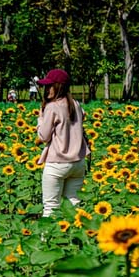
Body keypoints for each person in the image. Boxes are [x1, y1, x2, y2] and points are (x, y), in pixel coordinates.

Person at [35, 69, 89, 218]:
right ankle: (73, 239)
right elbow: (83, 115)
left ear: (58, 86)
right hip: (78, 163)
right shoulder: (76, 104)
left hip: (57, 164)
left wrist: (41, 119)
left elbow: (44, 136)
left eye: (49, 86)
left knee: (51, 208)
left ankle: (46, 240)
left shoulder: (52, 107)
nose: (46, 90)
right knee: (73, 206)